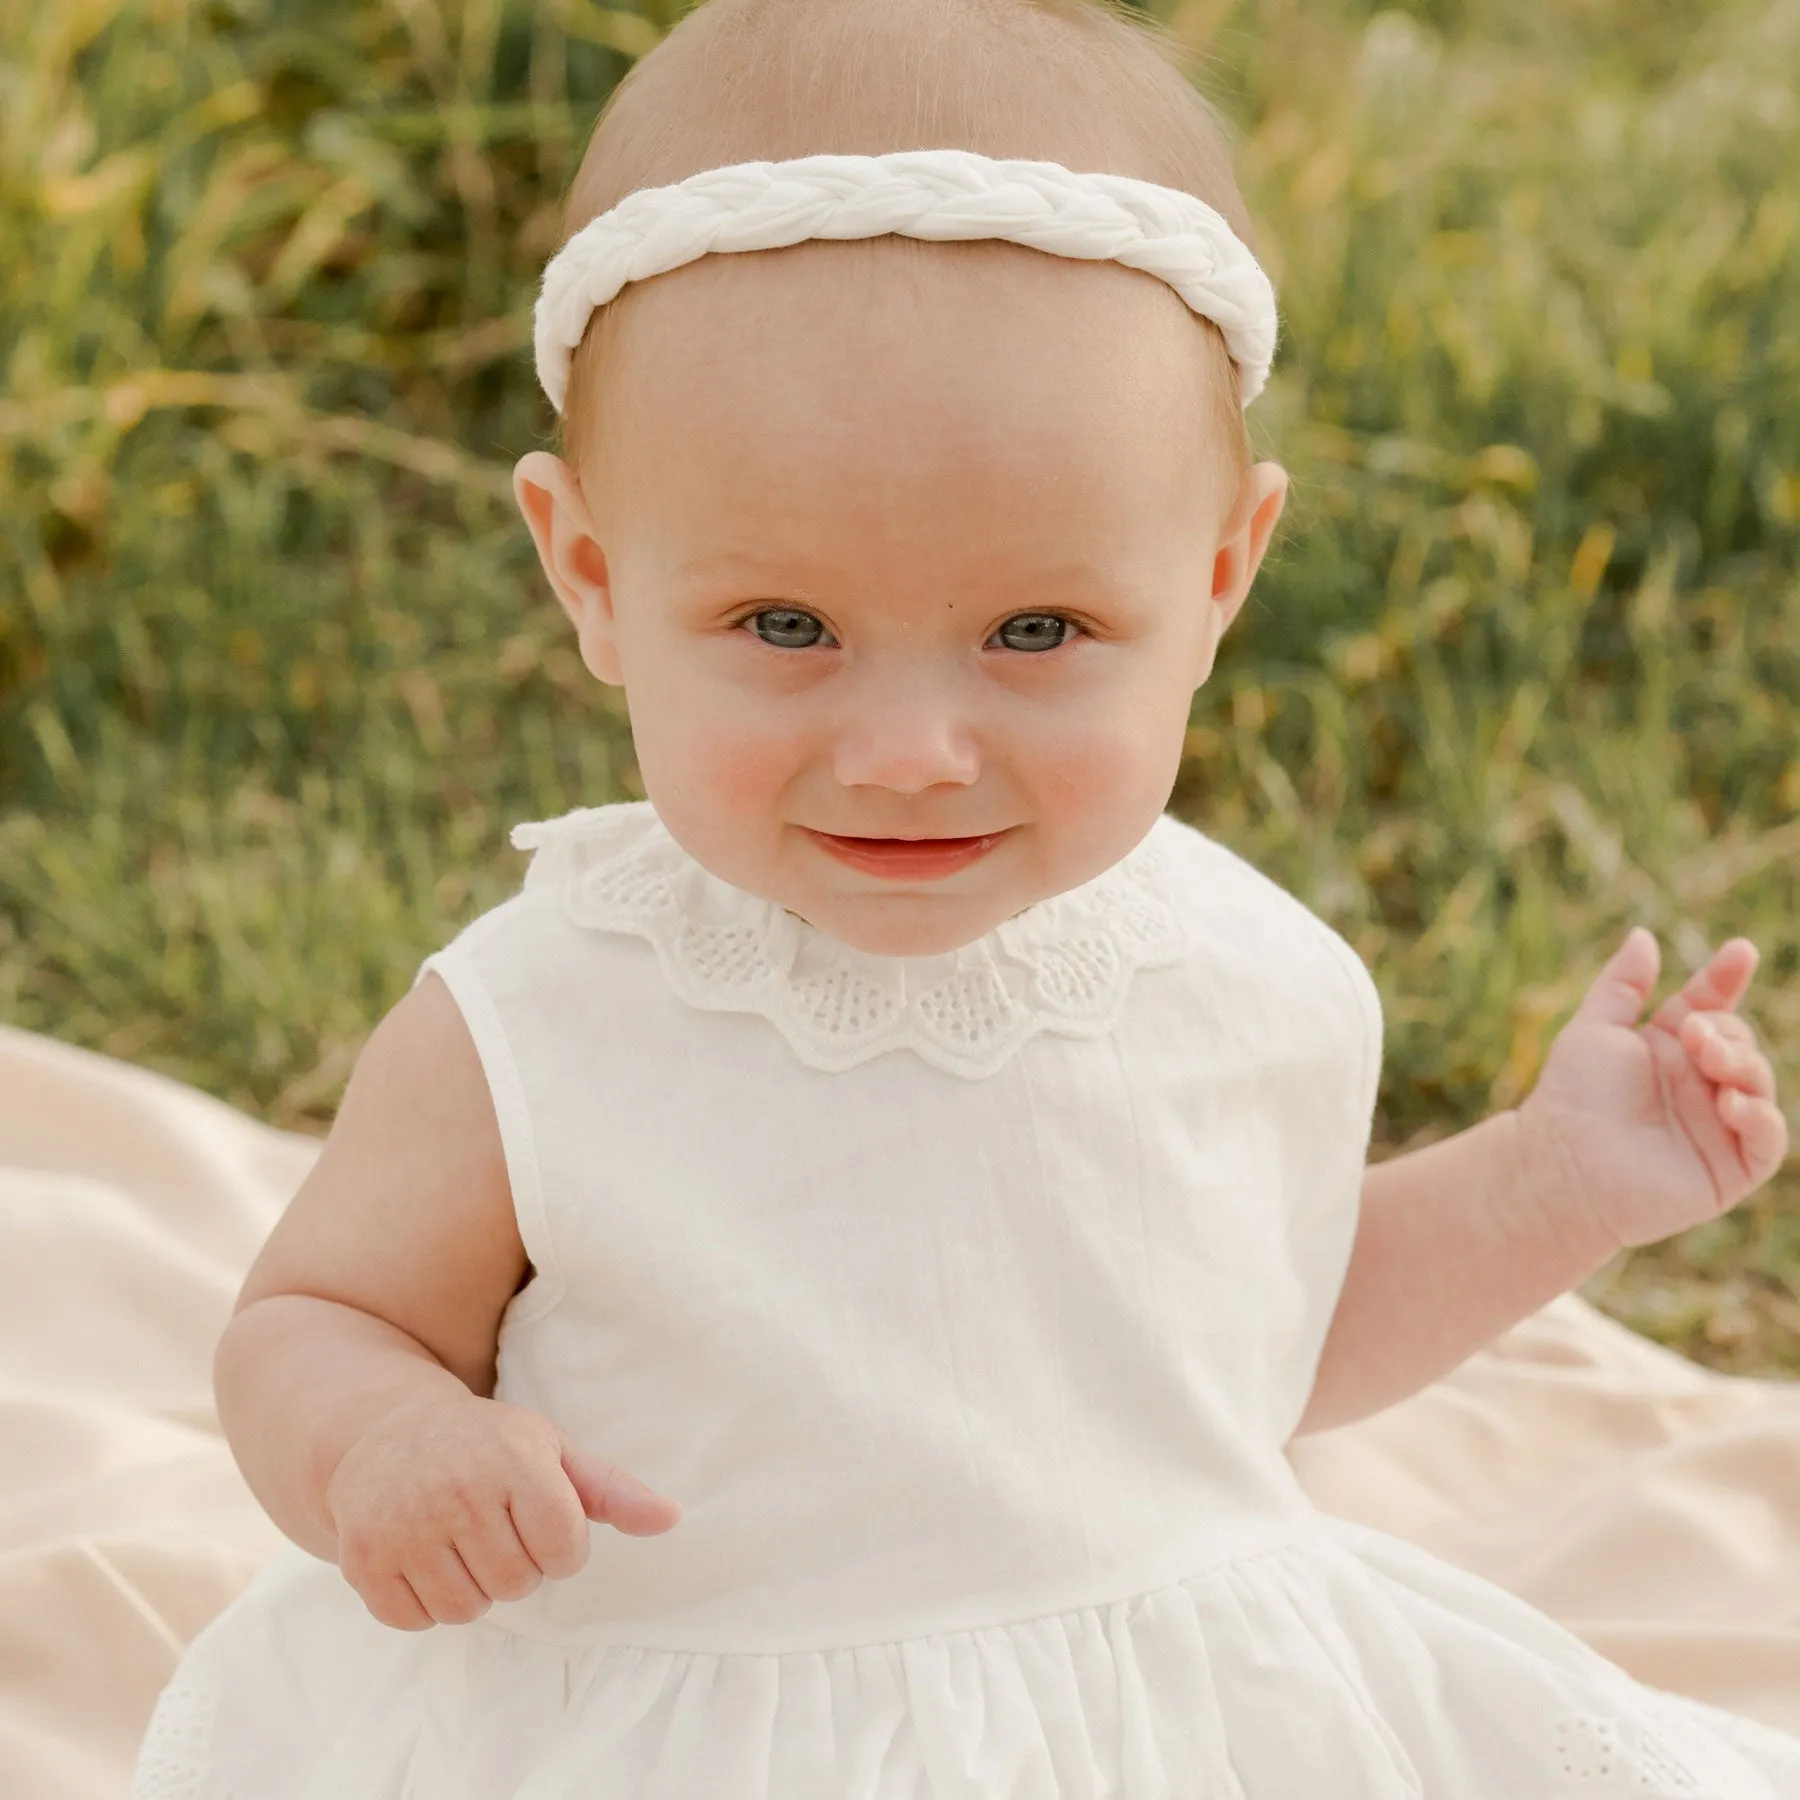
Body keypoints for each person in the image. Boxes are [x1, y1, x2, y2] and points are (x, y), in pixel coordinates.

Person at [129, 0, 1796, 1792]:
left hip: (1161, 1715)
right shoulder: (545, 1018)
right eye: (787, 628)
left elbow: (1251, 1350)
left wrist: (1553, 1184)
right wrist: (383, 1446)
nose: (912, 747)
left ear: (1223, 573)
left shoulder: (1252, 975)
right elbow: (319, 1320)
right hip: (679, 1713)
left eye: (1036, 633)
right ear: (592, 572)